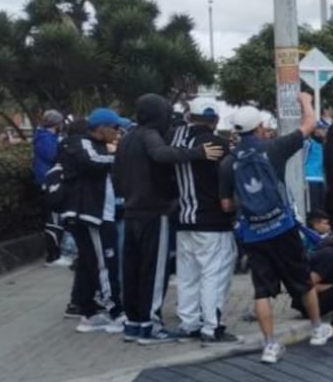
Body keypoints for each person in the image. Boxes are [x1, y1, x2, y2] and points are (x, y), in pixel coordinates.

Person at [219, 93, 332, 364]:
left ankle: (270, 345)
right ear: (259, 127)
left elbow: (225, 205)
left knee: (262, 291)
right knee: (302, 281)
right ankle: (317, 329)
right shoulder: (274, 148)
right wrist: (305, 100)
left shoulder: (227, 163)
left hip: (253, 234)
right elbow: (310, 124)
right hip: (282, 228)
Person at [113, 93, 225, 344]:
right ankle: (151, 326)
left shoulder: (127, 138)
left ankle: (134, 323)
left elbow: (116, 177)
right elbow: (161, 155)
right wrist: (197, 153)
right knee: (153, 272)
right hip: (154, 213)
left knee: (132, 271)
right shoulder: (150, 135)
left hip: (131, 213)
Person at [169, 98, 238, 343]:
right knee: (214, 274)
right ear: (215, 120)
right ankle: (212, 325)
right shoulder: (217, 144)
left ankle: (189, 324)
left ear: (190, 117)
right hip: (213, 221)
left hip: (183, 218)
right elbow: (229, 180)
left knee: (188, 275)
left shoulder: (176, 141)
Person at [62, 109, 125, 334]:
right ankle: (115, 312)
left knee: (92, 265)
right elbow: (93, 162)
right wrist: (120, 155)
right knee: (104, 265)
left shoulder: (91, 145)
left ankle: (89, 312)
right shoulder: (81, 143)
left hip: (98, 214)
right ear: (102, 127)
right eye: (115, 128)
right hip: (93, 216)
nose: (117, 134)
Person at [34, 109, 68, 265]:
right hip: (50, 182)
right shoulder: (45, 139)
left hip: (51, 181)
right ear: (56, 124)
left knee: (56, 217)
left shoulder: (47, 137)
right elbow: (53, 156)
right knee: (53, 219)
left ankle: (55, 253)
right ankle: (53, 256)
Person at [304, 121, 327, 213]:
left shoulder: (322, 145)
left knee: (320, 207)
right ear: (316, 131)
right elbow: (302, 160)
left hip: (320, 179)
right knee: (312, 207)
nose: (325, 131)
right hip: (310, 178)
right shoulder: (308, 143)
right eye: (322, 129)